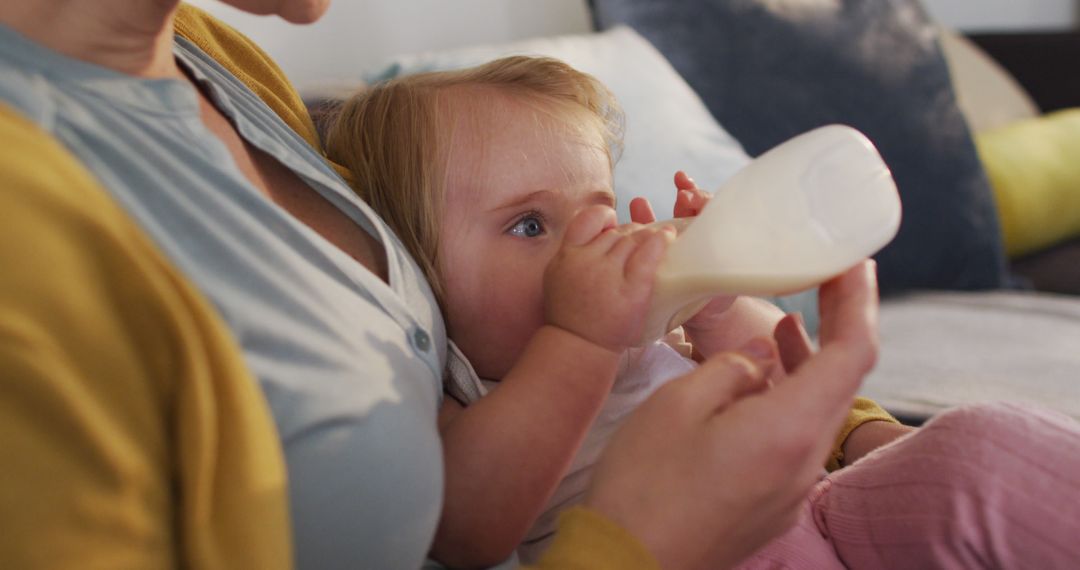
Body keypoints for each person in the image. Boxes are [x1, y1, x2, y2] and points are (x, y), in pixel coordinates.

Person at [0, 2, 890, 569]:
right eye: (532, 226)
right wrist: (640, 550)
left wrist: (849, 420)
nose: (597, 241)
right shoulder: (29, 226)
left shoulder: (209, 60)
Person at [323, 55, 1080, 569]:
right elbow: (471, 527)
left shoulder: (652, 331)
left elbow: (781, 382)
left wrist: (716, 295)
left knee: (980, 445)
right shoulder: (457, 396)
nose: (592, 245)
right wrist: (579, 338)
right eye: (529, 224)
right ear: (417, 273)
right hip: (700, 552)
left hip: (825, 511)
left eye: (600, 212)